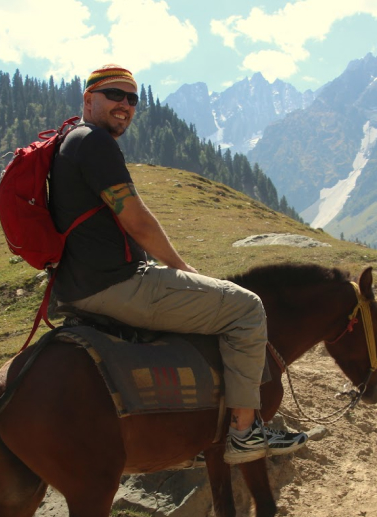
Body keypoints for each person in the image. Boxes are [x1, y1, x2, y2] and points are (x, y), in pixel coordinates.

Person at [49, 64, 307, 465]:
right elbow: (135, 219)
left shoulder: (68, 141)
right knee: (246, 308)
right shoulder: (95, 142)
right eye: (114, 95)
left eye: (133, 99)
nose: (125, 105)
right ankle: (243, 432)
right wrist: (182, 266)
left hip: (76, 287)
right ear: (87, 99)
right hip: (115, 285)